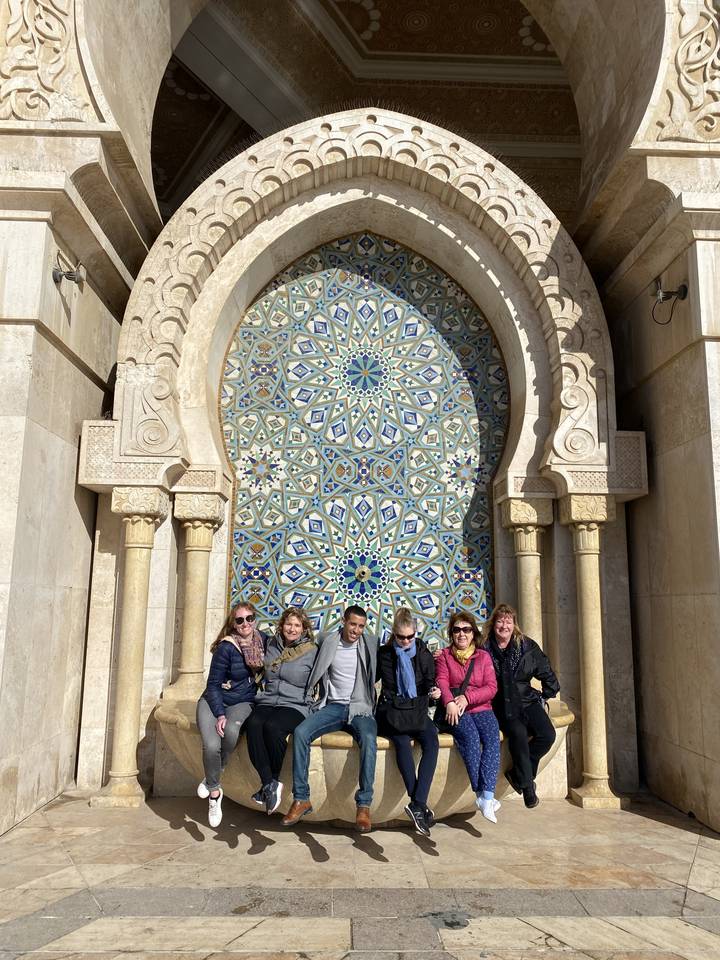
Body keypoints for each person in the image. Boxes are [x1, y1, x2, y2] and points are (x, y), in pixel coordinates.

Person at [282, 604, 378, 833]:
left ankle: (363, 805)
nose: (356, 630)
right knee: (301, 733)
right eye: (353, 624)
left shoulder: (371, 644)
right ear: (344, 621)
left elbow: (397, 647)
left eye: (361, 626)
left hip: (360, 708)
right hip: (333, 706)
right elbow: (299, 644)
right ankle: (301, 798)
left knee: (369, 740)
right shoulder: (327, 640)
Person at [196, 601, 266, 827]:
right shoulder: (226, 647)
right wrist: (219, 714)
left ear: (255, 620)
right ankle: (215, 794)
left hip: (242, 701)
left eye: (249, 618)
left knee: (232, 732)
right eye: (239, 620)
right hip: (213, 701)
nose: (245, 623)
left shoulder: (263, 641)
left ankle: (212, 775)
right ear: (233, 624)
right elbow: (213, 684)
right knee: (211, 745)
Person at [483, 603, 559, 809]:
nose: (504, 625)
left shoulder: (526, 645)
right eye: (500, 621)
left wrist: (549, 691)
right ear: (493, 624)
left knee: (547, 735)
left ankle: (518, 774)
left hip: (526, 699)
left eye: (508, 621)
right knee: (517, 733)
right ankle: (527, 787)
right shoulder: (484, 648)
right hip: (500, 703)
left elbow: (544, 668)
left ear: (514, 625)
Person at [244, 606, 318, 815]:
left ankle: (269, 784)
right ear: (281, 625)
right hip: (268, 700)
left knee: (273, 727)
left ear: (304, 629)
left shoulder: (312, 651)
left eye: (297, 625)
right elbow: (246, 635)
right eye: (289, 624)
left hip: (295, 705)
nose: (292, 629)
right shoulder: (271, 645)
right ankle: (269, 782)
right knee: (253, 724)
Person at [376, 608, 440, 836]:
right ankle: (419, 805)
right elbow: (386, 685)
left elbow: (429, 680)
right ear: (394, 634)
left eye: (410, 637)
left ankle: (417, 803)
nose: (405, 641)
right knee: (402, 743)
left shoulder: (422, 651)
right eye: (401, 637)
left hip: (416, 710)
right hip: (393, 712)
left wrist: (434, 691)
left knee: (432, 742)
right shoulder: (385, 654)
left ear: (416, 634)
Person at [435, 611, 501, 823]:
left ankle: (487, 797)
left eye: (466, 630)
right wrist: (450, 703)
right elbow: (442, 682)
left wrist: (467, 697)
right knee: (471, 739)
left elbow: (492, 687)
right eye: (457, 630)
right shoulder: (445, 656)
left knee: (492, 740)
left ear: (473, 633)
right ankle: (481, 793)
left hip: (481, 707)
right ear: (451, 634)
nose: (461, 634)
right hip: (455, 709)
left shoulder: (483, 657)